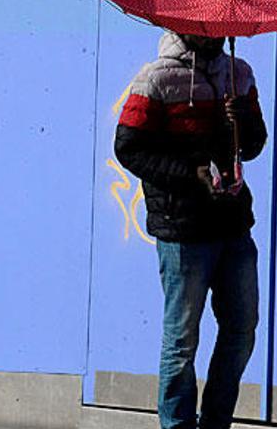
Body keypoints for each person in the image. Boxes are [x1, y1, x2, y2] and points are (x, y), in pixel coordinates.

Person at [114, 31, 268, 429]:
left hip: (233, 224)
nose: (211, 28)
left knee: (242, 329)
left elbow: (253, 145)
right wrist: (189, 174)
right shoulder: (156, 78)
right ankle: (177, 426)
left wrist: (243, 119)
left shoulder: (240, 73)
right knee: (182, 342)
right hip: (182, 229)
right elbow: (128, 147)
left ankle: (215, 424)